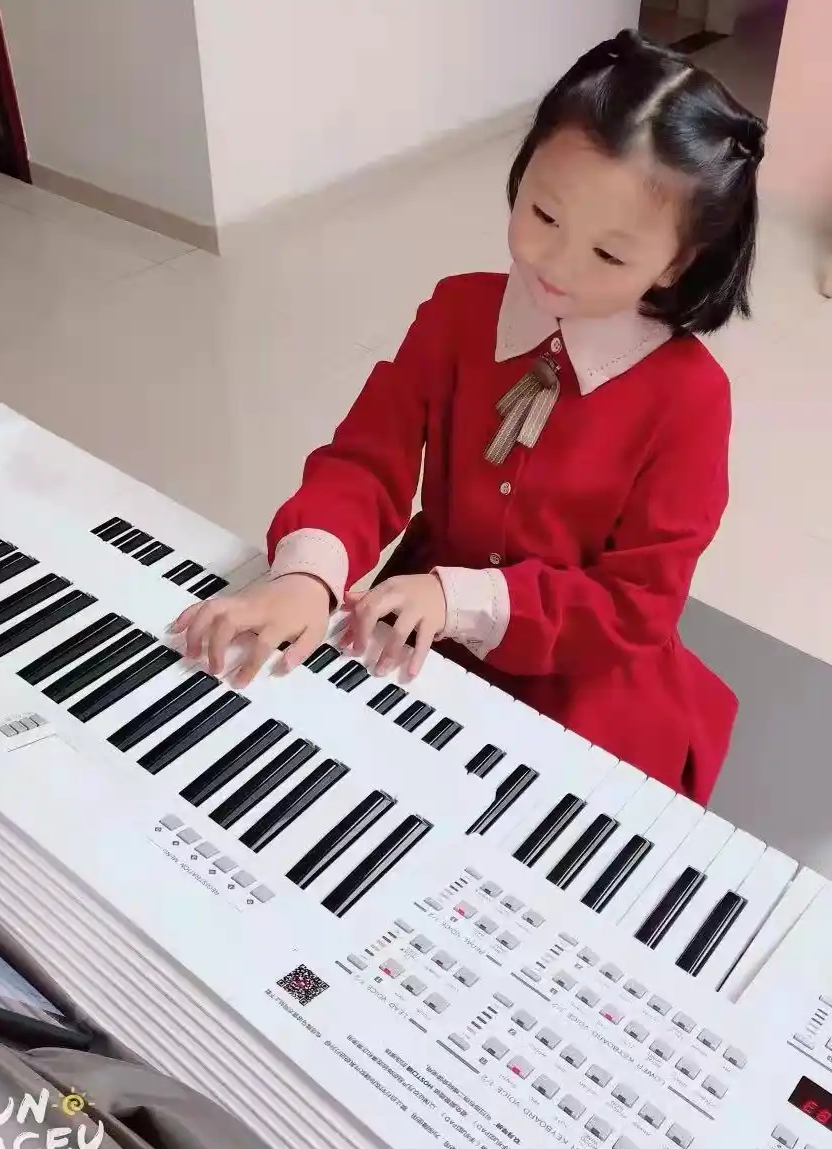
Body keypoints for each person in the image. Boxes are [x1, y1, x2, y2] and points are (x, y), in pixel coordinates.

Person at [173, 28, 766, 805]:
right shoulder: (458, 312)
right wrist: (307, 577)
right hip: (414, 627)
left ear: (677, 263)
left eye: (610, 256)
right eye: (543, 213)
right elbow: (366, 461)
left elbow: (637, 602)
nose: (556, 264)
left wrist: (463, 599)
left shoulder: (690, 397)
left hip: (583, 677)